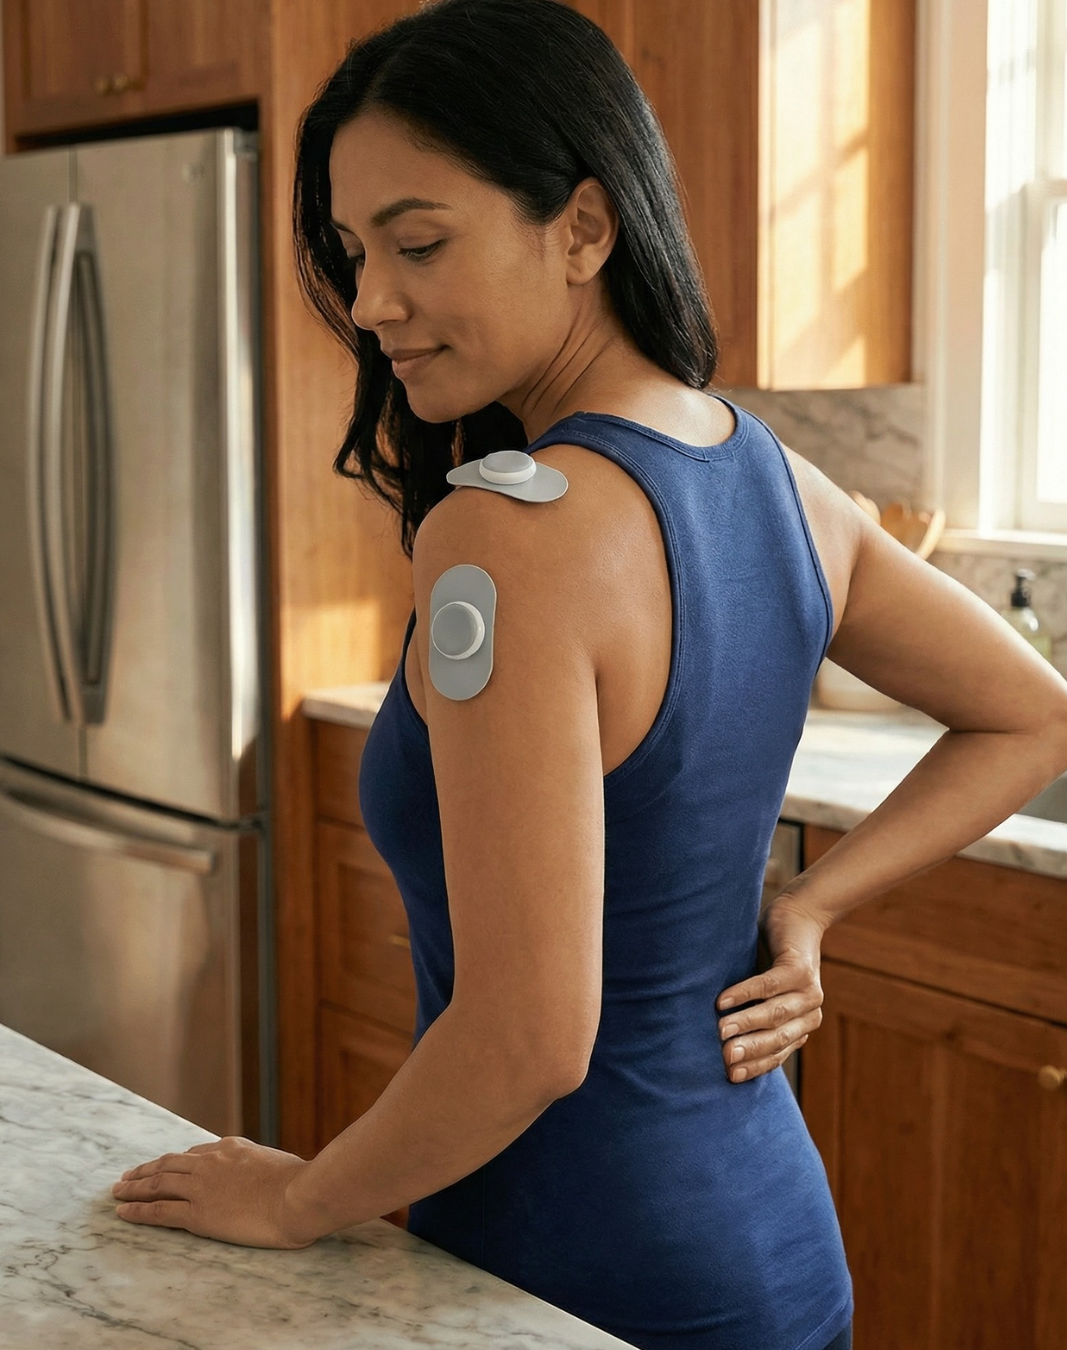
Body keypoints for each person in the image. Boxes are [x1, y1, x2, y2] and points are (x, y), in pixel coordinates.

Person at [284, 2, 1067, 1347]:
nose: (369, 304)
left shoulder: (503, 536)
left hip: (580, 1279)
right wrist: (811, 905)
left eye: (418, 244)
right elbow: (1034, 714)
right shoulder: (783, 483)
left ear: (583, 228)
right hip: (775, 1253)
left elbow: (530, 1037)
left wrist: (296, 1201)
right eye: (356, 255)